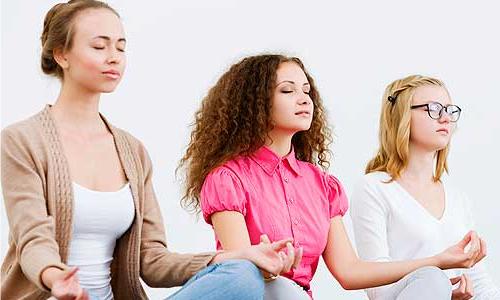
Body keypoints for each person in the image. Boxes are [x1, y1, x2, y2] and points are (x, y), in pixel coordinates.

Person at [1, 2, 295, 299]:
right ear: (61, 55)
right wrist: (56, 278)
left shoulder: (132, 151)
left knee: (242, 276)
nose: (113, 58)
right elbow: (33, 240)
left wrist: (240, 255)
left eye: (120, 47)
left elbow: (152, 260)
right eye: (99, 46)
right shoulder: (22, 140)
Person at [179, 54, 486, 299]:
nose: (304, 99)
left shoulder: (321, 185)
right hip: (261, 293)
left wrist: (438, 261)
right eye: (287, 91)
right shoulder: (227, 178)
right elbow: (240, 273)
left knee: (431, 279)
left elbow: (350, 272)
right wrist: (270, 267)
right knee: (280, 288)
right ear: (254, 104)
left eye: (306, 91)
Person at [350, 74, 500, 299]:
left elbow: (479, 283)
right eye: (433, 108)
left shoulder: (457, 198)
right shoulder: (373, 188)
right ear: (401, 116)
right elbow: (376, 289)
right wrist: (437, 290)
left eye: (450, 110)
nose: (445, 118)